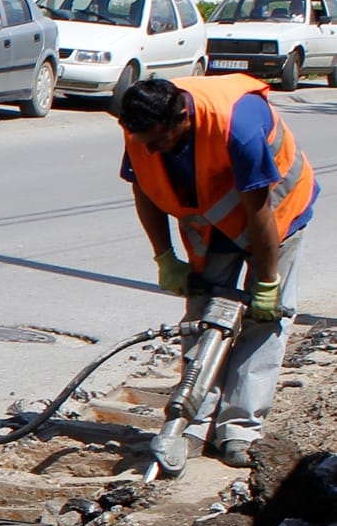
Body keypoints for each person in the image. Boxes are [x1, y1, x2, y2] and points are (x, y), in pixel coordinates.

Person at [118, 74, 317, 469]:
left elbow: (260, 211)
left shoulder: (237, 125)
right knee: (202, 319)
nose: (153, 150)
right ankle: (193, 424)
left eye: (160, 141)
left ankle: (239, 429)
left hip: (276, 214)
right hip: (211, 222)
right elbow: (145, 189)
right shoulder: (141, 126)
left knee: (264, 321)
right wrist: (164, 257)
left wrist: (266, 284)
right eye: (146, 144)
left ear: (183, 119)